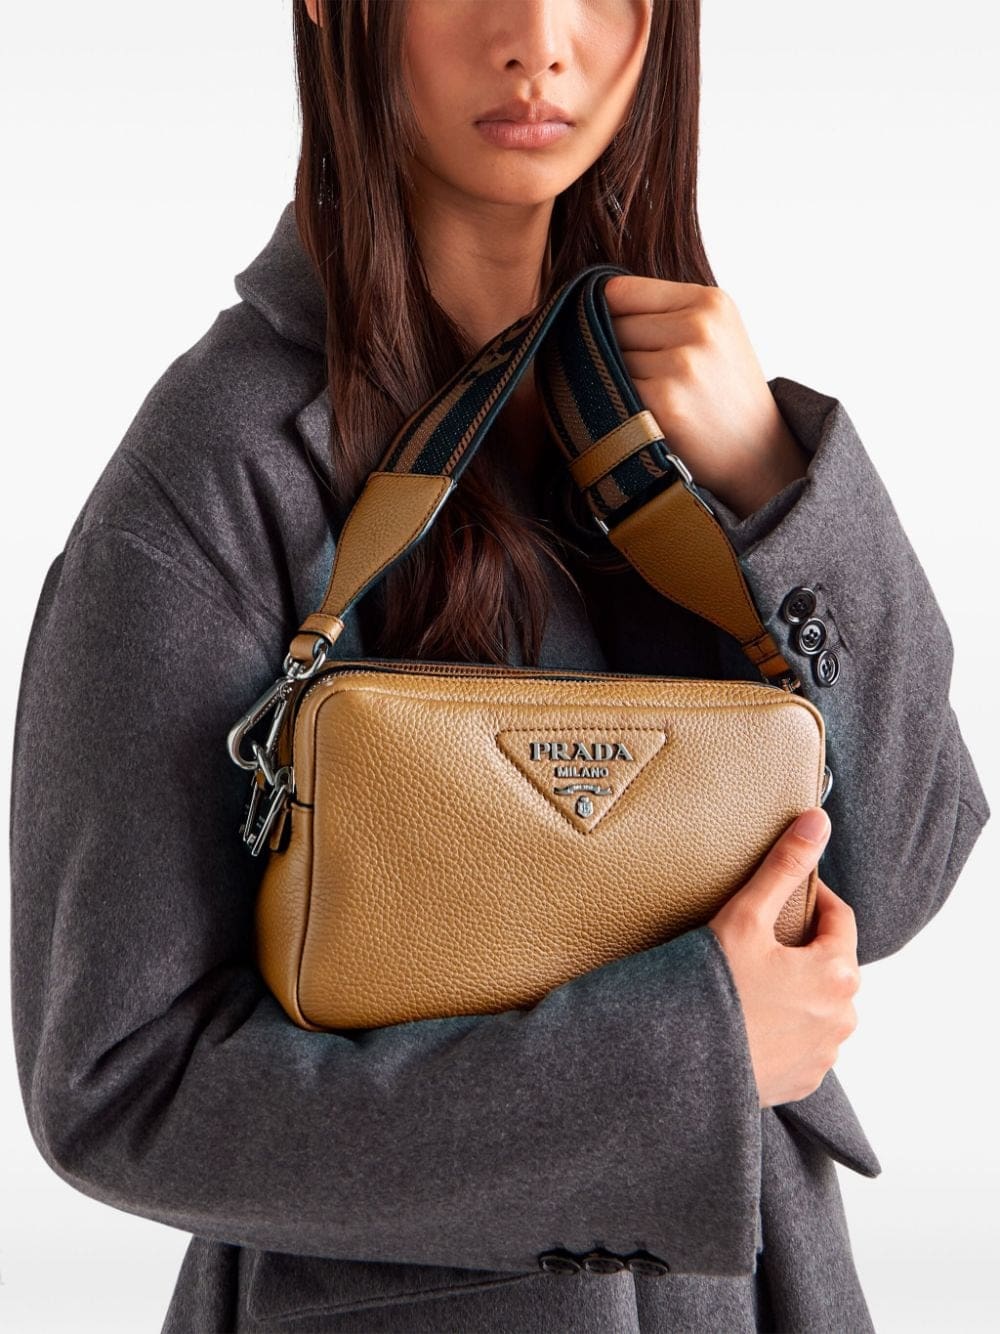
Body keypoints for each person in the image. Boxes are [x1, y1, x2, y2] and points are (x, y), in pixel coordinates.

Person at [8, 3, 990, 1331]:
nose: (538, 39)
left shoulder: (690, 422)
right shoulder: (221, 466)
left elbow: (902, 868)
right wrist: (686, 1059)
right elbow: (119, 1090)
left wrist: (772, 480)